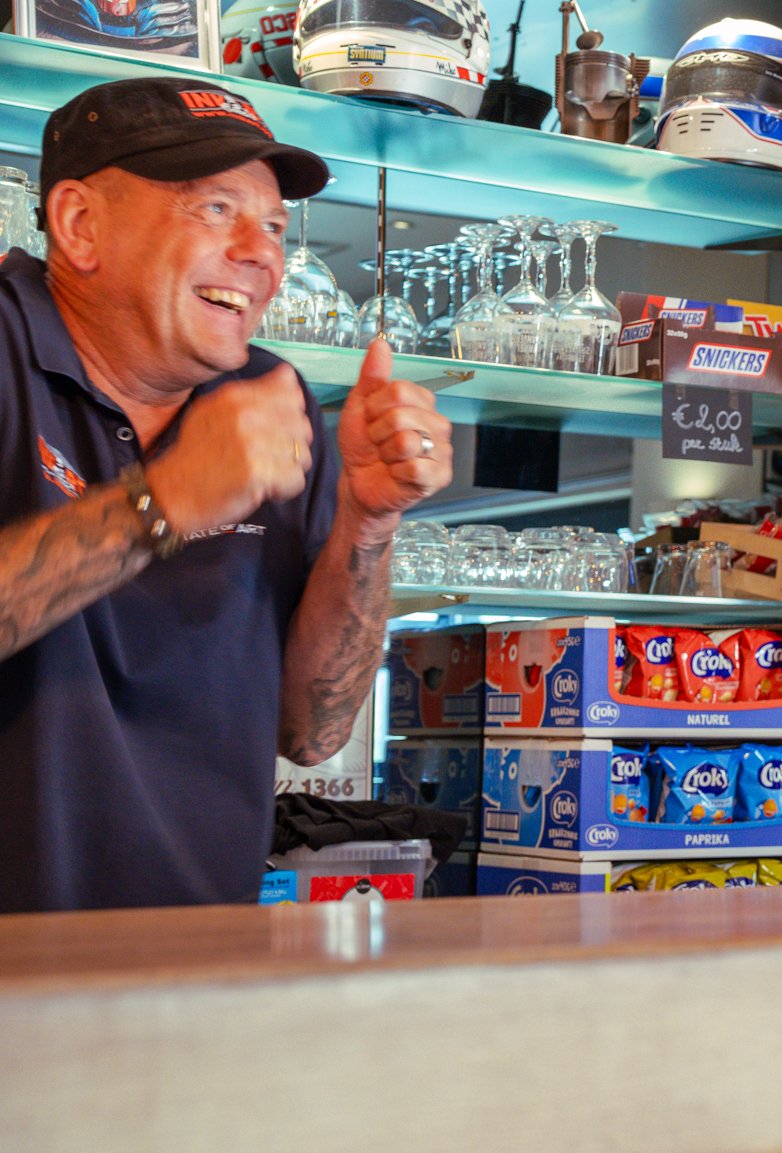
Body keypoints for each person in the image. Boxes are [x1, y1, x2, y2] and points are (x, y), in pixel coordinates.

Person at [0, 77, 453, 912]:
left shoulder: (274, 400)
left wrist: (369, 518)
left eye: (276, 226)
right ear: (79, 224)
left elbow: (313, 733)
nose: (263, 253)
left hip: (202, 964)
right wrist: (163, 502)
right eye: (215, 209)